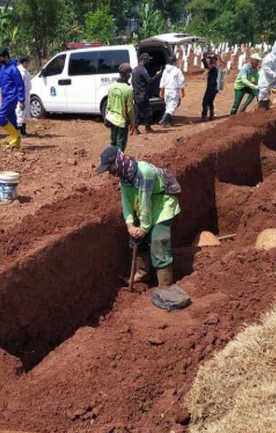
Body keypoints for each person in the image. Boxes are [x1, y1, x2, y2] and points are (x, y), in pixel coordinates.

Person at [96, 146, 180, 287]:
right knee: (137, 239)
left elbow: (145, 202)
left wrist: (144, 228)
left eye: (110, 168)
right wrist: (130, 224)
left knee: (159, 240)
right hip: (146, 206)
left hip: (162, 204)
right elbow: (126, 202)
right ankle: (141, 277)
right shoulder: (124, 177)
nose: (110, 173)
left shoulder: (143, 172)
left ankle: (165, 286)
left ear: (118, 161)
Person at [105, 63, 135, 150]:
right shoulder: (128, 89)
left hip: (112, 119)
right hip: (122, 121)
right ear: (127, 75)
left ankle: (112, 160)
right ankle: (118, 161)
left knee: (113, 142)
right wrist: (132, 122)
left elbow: (109, 105)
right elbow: (129, 109)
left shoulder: (111, 87)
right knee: (120, 144)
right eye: (129, 75)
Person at [132, 53, 162, 134]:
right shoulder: (143, 70)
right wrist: (157, 75)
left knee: (137, 112)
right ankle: (147, 127)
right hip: (142, 94)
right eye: (148, 60)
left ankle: (135, 129)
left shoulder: (135, 69)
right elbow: (149, 81)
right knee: (148, 111)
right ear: (144, 60)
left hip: (136, 94)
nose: (148, 61)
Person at [258, 38, 276, 109]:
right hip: (266, 77)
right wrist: (274, 74)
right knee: (263, 91)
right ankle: (262, 106)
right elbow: (266, 68)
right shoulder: (269, 57)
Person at [158, 56, 185, 126]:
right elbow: (181, 82)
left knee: (168, 106)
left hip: (166, 90)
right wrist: (183, 92)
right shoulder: (177, 71)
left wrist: (161, 91)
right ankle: (163, 120)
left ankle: (169, 122)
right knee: (172, 107)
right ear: (174, 62)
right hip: (173, 90)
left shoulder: (165, 70)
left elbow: (162, 82)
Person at [15, 55, 32, 137]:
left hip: (27, 94)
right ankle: (19, 132)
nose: (28, 64)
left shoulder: (26, 71)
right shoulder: (20, 72)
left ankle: (23, 131)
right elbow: (19, 86)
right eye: (28, 62)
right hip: (22, 95)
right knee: (20, 113)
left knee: (25, 114)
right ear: (24, 62)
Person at [201, 53, 219, 120]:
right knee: (210, 102)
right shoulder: (215, 67)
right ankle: (211, 115)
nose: (210, 61)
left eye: (212, 59)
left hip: (211, 88)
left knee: (205, 102)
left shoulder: (213, 67)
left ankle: (204, 116)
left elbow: (207, 67)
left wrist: (204, 58)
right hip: (213, 88)